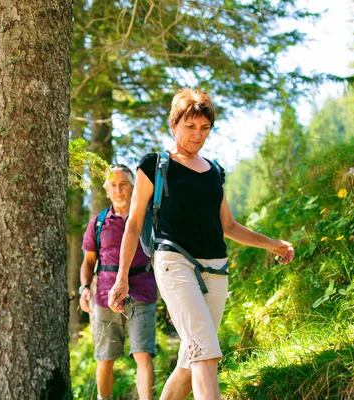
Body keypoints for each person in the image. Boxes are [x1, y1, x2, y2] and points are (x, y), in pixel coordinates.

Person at [107, 88, 295, 400]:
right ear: (173, 124)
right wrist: (121, 277)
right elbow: (134, 223)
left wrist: (272, 243)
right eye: (190, 127)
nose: (197, 135)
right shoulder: (155, 165)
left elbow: (229, 226)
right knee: (206, 353)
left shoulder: (214, 172)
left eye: (204, 128)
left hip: (216, 271)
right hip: (174, 263)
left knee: (189, 360)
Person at [79, 164, 158, 400]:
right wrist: (84, 288)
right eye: (113, 185)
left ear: (132, 187)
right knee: (105, 357)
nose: (119, 190)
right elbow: (88, 261)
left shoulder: (147, 219)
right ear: (106, 190)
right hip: (104, 296)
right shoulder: (99, 222)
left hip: (142, 292)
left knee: (143, 354)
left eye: (123, 184)